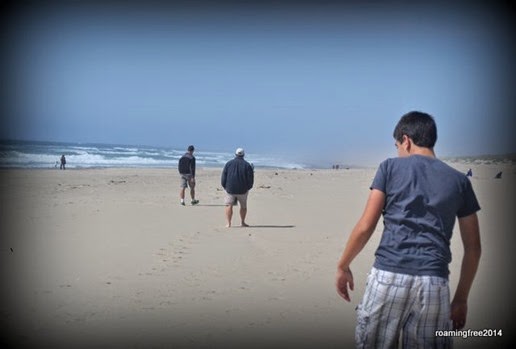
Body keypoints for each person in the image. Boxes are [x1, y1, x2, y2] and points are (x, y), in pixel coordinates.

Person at [336, 111, 481, 348]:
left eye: (397, 146)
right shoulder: (459, 181)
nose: (397, 152)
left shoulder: (390, 168)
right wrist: (461, 299)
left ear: (406, 140)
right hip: (434, 282)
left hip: (389, 276)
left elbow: (366, 226)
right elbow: (473, 248)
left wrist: (343, 265)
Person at [221, 148, 254, 227]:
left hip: (230, 189)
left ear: (235, 154)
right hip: (243, 190)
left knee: (229, 205)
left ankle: (229, 223)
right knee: (243, 207)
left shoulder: (228, 164)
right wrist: (248, 187)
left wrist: (225, 186)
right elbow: (250, 179)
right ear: (243, 155)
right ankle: (242, 222)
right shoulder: (247, 165)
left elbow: (223, 177)